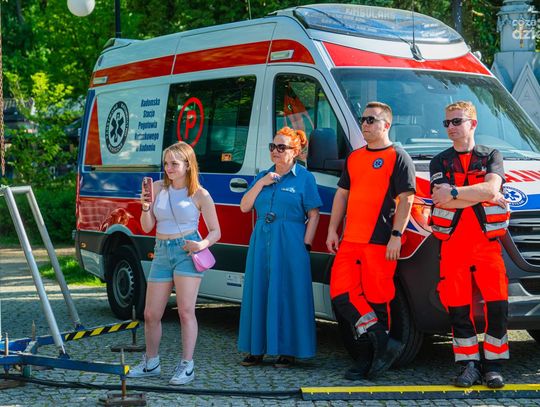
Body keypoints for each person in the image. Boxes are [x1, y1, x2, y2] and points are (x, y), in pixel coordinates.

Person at [326, 101, 416, 380]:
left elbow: (407, 199)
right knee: (341, 294)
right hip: (350, 240)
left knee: (378, 299)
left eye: (371, 120)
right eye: (363, 119)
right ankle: (384, 342)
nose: (365, 124)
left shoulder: (398, 156)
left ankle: (371, 358)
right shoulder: (354, 158)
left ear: (386, 125)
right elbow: (342, 194)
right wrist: (332, 230)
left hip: (380, 242)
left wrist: (396, 236)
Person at [430, 101, 510, 389]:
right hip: (453, 246)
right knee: (458, 308)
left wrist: (454, 192)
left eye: (457, 121)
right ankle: (468, 365)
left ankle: (493, 366)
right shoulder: (439, 161)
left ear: (473, 123)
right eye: (447, 123)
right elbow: (441, 200)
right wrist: (480, 194)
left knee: (497, 306)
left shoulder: (491, 155)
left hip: (487, 246)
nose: (450, 127)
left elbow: (491, 188)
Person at [128, 141, 221, 385]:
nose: (168, 168)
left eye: (174, 164)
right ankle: (151, 363)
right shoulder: (157, 187)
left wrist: (201, 244)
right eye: (166, 163)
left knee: (185, 311)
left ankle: (187, 365)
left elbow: (215, 231)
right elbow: (147, 227)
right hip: (161, 250)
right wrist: (145, 208)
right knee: (150, 314)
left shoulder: (200, 194)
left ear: (188, 165)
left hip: (186, 251)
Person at [238, 126, 322, 367]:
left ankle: (287, 350)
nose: (275, 151)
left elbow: (313, 214)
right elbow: (244, 206)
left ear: (295, 151)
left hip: (291, 242)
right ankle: (256, 349)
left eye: (281, 147)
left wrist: (306, 244)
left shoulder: (305, 178)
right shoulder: (263, 176)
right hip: (261, 240)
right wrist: (261, 183)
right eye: (273, 146)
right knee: (259, 290)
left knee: (288, 293)